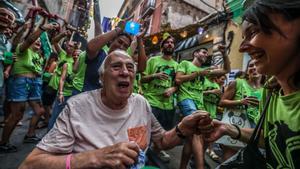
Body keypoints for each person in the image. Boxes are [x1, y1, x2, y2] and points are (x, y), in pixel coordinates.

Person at [19, 50, 211, 169]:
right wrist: (93, 158)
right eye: (116, 66)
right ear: (101, 78)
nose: (125, 72)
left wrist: (182, 129)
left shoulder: (141, 103)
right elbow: (31, 164)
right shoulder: (78, 107)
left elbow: (161, 140)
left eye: (130, 68)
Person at [200, 0, 300, 168]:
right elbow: (269, 139)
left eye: (253, 32)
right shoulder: (271, 92)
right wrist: (229, 129)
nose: (242, 48)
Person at [0, 22, 59, 152]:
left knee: (39, 111)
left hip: (35, 84)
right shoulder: (22, 49)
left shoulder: (39, 55)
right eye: (35, 41)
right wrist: (42, 28)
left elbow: (50, 46)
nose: (38, 42)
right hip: (20, 81)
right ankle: (3, 143)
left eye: (39, 42)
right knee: (17, 115)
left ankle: (30, 135)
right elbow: (30, 39)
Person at [176, 47, 230, 169]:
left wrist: (224, 54)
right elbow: (178, 79)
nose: (206, 54)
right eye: (204, 52)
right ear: (195, 53)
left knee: (191, 139)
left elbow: (226, 69)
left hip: (199, 104)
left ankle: (183, 167)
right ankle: (199, 166)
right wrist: (198, 73)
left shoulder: (205, 71)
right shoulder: (185, 64)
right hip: (186, 99)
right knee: (197, 133)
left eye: (207, 53)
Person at [217, 59, 264, 161]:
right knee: (229, 160)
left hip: (255, 130)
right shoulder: (237, 83)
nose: (254, 68)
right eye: (251, 66)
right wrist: (240, 102)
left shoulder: (265, 90)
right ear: (247, 70)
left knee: (247, 161)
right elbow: (222, 102)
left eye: (257, 64)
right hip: (235, 124)